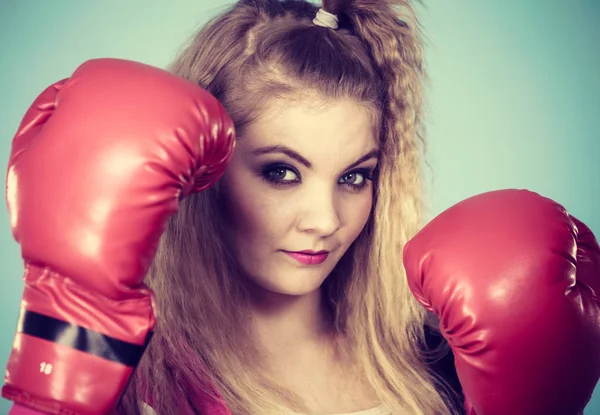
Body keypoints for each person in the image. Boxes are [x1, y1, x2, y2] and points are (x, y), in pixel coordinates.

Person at [3, 0, 600, 414]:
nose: (326, 220)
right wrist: (61, 364)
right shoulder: (134, 379)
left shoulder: (439, 354)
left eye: (355, 177)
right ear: (198, 169)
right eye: (281, 172)